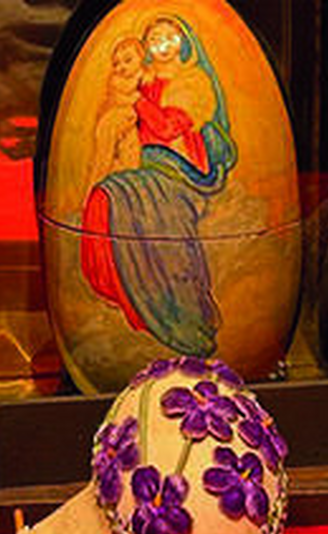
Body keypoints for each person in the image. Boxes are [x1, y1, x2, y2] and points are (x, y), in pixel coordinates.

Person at [80, 15, 237, 356]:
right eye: (153, 39)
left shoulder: (194, 83)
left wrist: (136, 99)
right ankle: (135, 297)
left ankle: (183, 314)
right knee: (105, 195)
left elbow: (166, 129)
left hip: (182, 173)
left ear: (185, 42)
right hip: (148, 168)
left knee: (122, 196)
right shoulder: (145, 80)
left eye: (169, 37)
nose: (161, 44)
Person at [87, 37, 146, 191]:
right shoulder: (116, 81)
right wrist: (135, 99)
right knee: (104, 157)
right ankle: (96, 184)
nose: (121, 67)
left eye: (128, 60)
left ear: (141, 57)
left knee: (131, 156)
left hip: (129, 124)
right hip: (113, 120)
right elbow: (120, 98)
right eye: (116, 64)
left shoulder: (144, 74)